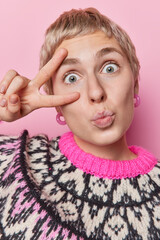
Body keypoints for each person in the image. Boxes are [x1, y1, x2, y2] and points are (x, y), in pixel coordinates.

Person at [0, 7, 159, 240]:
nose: (95, 92)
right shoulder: (13, 165)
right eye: (72, 77)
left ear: (134, 83)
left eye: (109, 68)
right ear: (55, 100)